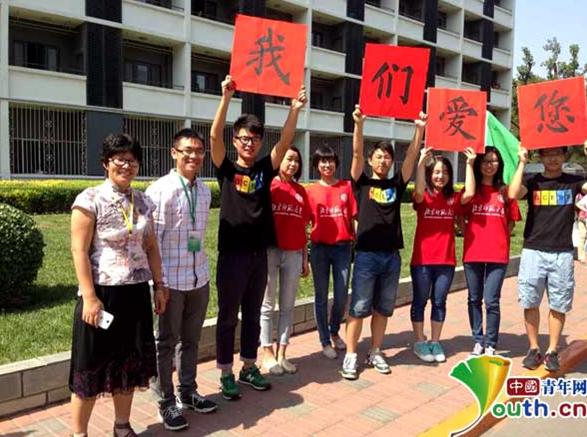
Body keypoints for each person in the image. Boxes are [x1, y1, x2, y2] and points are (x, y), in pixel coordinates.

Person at [210, 75, 307, 400]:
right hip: (231, 255)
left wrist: (294, 110)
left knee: (252, 313)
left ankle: (249, 366)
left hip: (258, 255)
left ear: (260, 142)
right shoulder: (226, 168)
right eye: (243, 138)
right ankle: (225, 371)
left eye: (254, 139)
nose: (248, 143)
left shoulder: (266, 169)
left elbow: (286, 140)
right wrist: (226, 98)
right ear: (235, 141)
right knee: (228, 316)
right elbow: (214, 137)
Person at [69, 134, 168, 437]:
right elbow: (78, 250)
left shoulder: (144, 201)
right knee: (90, 366)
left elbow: (151, 247)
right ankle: (79, 433)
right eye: (120, 159)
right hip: (101, 294)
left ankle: (122, 426)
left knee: (129, 364)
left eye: (132, 160)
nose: (127, 165)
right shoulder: (89, 199)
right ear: (106, 162)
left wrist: (159, 285)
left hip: (135, 293)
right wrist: (89, 297)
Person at [342, 105, 426, 380]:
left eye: (387, 157)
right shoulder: (362, 182)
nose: (383, 160)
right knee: (358, 307)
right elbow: (356, 153)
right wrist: (358, 124)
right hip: (366, 256)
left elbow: (411, 158)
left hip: (391, 256)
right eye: (378, 156)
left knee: (383, 308)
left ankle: (375, 351)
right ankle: (351, 354)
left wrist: (419, 130)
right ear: (371, 161)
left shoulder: (395, 186)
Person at [146, 128, 217, 431]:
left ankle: (187, 392)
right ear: (174, 153)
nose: (194, 156)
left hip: (198, 277)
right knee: (165, 342)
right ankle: (165, 400)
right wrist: (158, 285)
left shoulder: (205, 191)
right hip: (170, 282)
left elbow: (197, 236)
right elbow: (151, 243)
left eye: (199, 151)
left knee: (191, 340)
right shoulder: (159, 191)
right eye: (187, 150)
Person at [509, 143, 587, 372]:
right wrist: (522, 162)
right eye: (548, 154)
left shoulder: (574, 182)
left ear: (565, 156)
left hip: (561, 253)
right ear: (540, 157)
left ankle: (552, 350)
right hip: (533, 250)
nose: (553, 158)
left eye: (557, 154)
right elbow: (512, 194)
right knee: (530, 301)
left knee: (558, 304)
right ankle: (534, 348)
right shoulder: (532, 181)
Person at [410, 147, 476, 363]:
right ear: (430, 174)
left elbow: (470, 194)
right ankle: (419, 342)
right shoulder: (423, 198)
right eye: (437, 172)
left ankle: (435, 341)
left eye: (445, 172)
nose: (441, 176)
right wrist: (421, 163)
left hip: (446, 261)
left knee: (439, 301)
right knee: (420, 301)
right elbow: (418, 192)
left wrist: (469, 164)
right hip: (422, 261)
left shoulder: (453, 199)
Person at [462, 146, 521, 357]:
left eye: (494, 161)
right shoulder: (472, 190)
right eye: (486, 161)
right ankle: (478, 340)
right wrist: (467, 232)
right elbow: (460, 214)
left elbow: (512, 220)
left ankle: (491, 343)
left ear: (500, 165)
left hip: (497, 254)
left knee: (492, 300)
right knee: (474, 298)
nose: (489, 165)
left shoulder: (506, 192)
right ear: (479, 164)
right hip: (473, 253)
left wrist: (501, 236)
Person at [260, 146, 311, 375]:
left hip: (294, 253)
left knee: (287, 306)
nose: (292, 164)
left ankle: (282, 354)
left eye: (296, 161)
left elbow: (303, 226)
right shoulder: (268, 186)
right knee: (267, 305)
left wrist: (305, 257)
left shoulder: (301, 191)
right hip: (270, 251)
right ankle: (267, 354)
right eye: (289, 159)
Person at [306, 146, 357, 360]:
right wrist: (303, 254)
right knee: (320, 296)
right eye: (322, 161)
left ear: (336, 163)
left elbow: (354, 218)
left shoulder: (346, 187)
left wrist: (359, 243)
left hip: (343, 248)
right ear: (316, 165)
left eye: (331, 160)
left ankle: (334, 330)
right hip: (319, 249)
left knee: (341, 295)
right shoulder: (310, 191)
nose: (327, 165)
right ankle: (325, 340)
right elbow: (304, 223)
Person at [575, 192, 587, 263]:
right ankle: (581, 256)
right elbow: (577, 204)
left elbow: (577, 204)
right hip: (583, 217)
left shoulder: (579, 195)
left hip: (581, 216)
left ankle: (581, 256)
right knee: (582, 237)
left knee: (582, 237)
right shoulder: (582, 196)